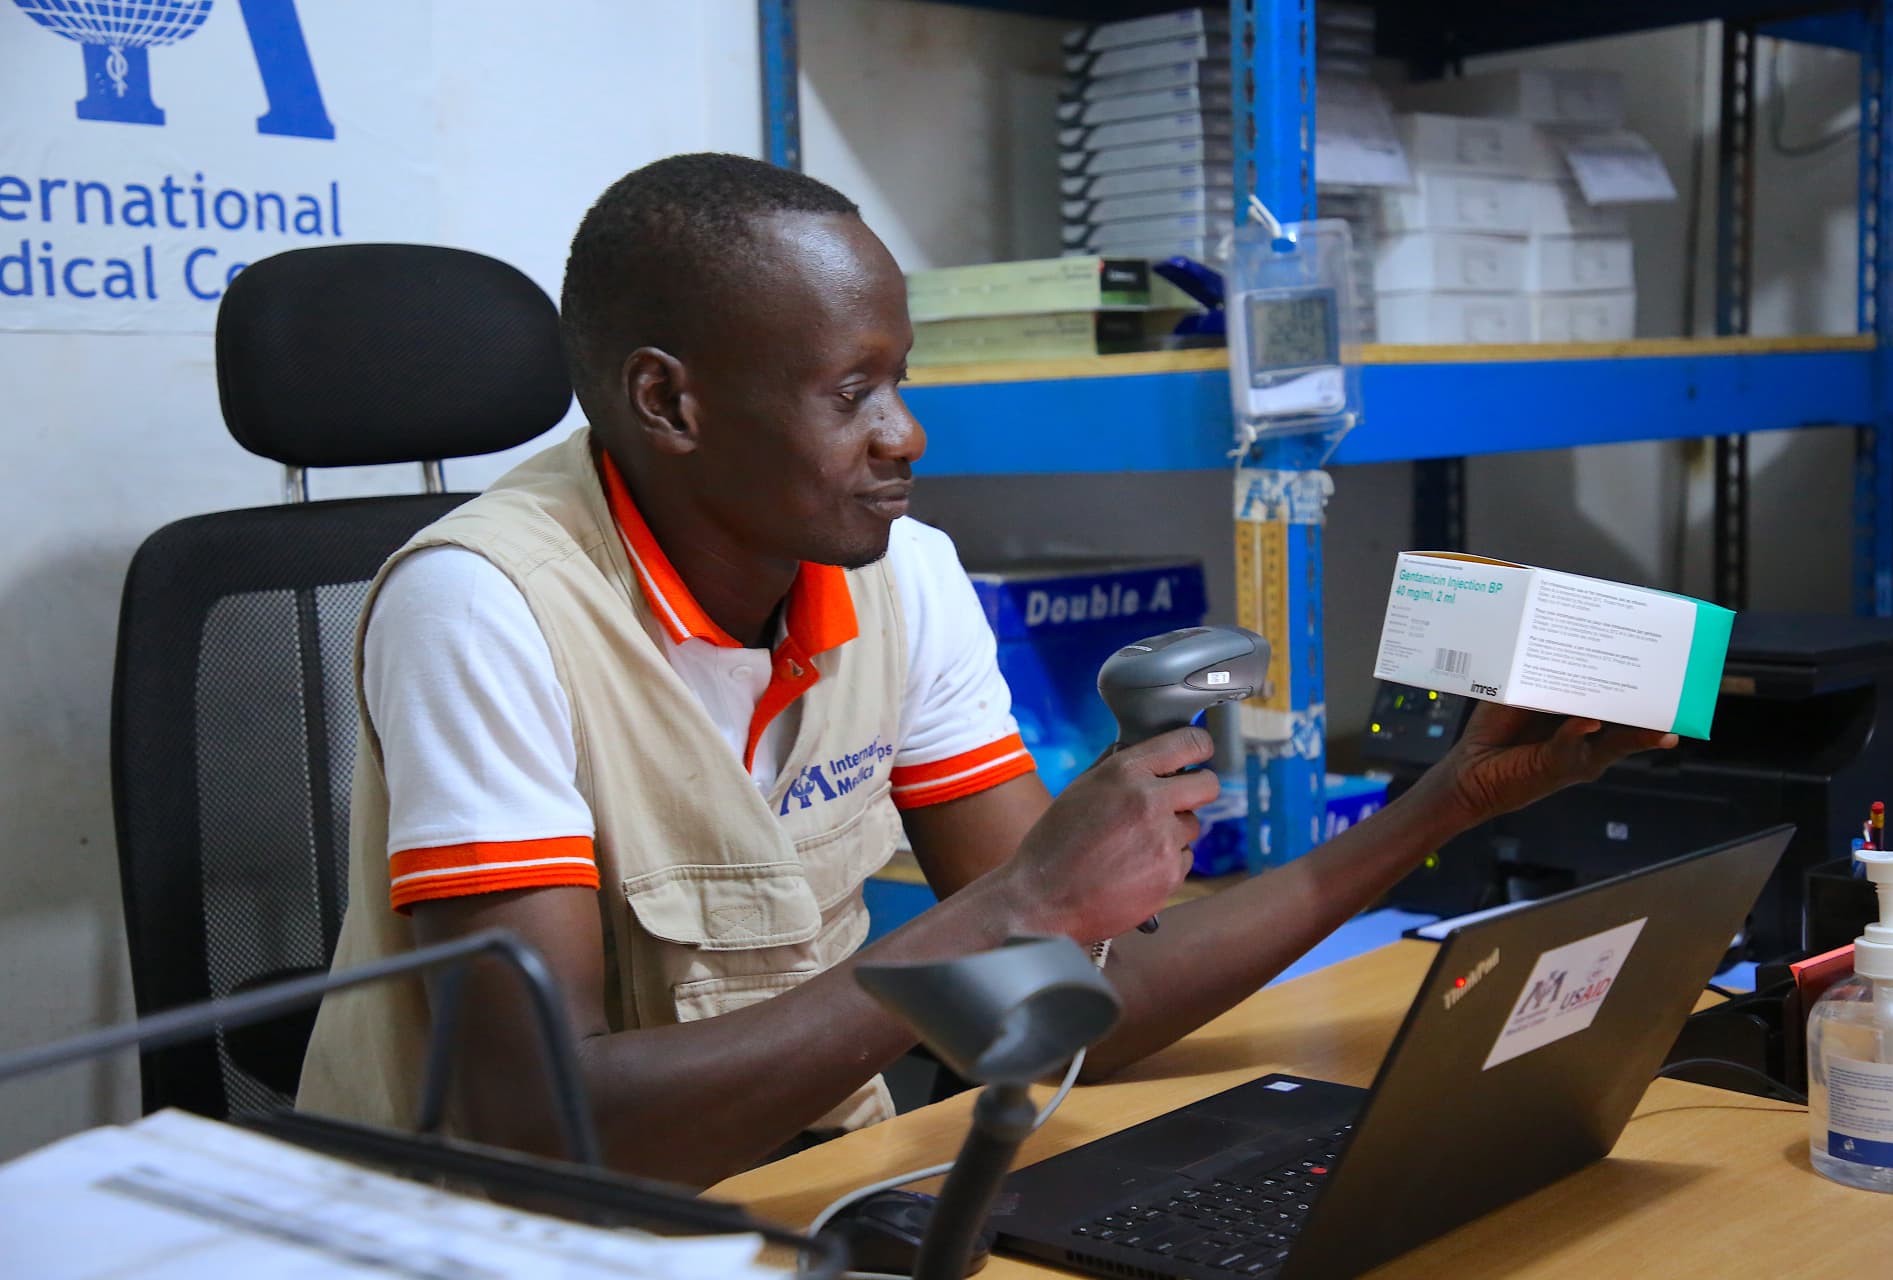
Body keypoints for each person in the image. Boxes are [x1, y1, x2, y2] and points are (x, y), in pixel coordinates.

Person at [296, 153, 1673, 1187]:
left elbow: (1100, 995)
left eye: (900, 382)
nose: (905, 436)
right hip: (490, 1232)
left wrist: (1449, 804)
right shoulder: (485, 608)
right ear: (670, 402)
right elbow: (538, 1124)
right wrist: (1008, 908)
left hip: (801, 1188)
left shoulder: (902, 578)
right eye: (851, 394)